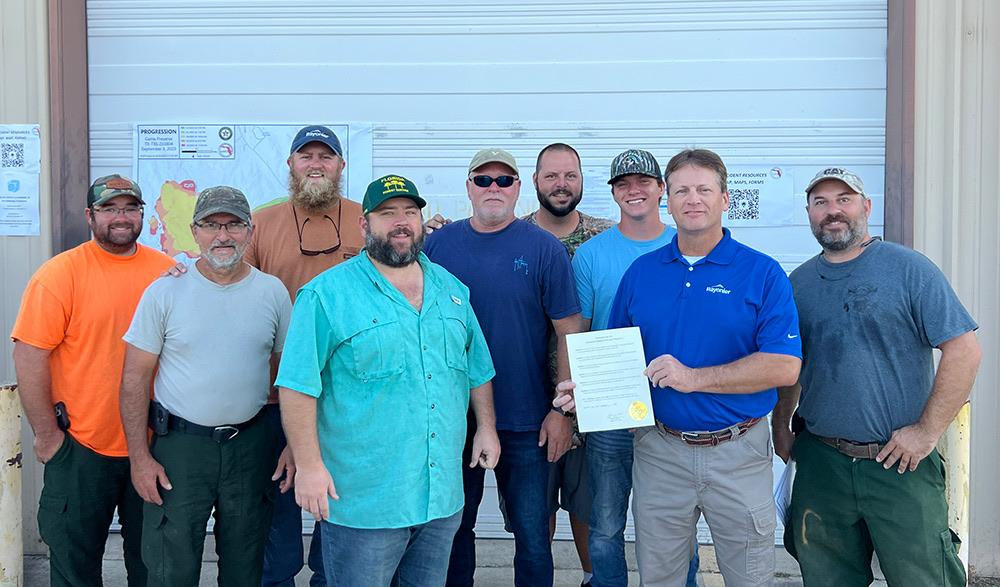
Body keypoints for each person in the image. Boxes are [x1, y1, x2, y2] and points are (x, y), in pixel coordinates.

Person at [556, 148, 801, 586]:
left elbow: (784, 367)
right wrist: (588, 392)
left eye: (704, 189)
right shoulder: (642, 273)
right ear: (667, 198)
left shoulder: (762, 273)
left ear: (725, 198)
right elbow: (621, 359)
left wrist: (693, 379)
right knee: (662, 577)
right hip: (660, 450)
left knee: (750, 577)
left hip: (738, 451)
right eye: (683, 190)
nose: (693, 199)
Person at [275, 175, 500, 586]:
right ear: (364, 225)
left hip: (440, 498)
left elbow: (477, 368)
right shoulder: (326, 295)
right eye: (387, 213)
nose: (401, 222)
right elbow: (296, 385)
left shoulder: (452, 291)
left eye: (410, 213)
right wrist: (309, 466)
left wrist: (486, 427)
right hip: (365, 501)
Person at [772, 168, 980, 586]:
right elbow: (789, 365)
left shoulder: (909, 270)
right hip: (821, 462)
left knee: (925, 577)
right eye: (821, 203)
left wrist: (925, 432)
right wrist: (781, 425)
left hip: (900, 464)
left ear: (866, 207)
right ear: (809, 214)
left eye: (844, 200)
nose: (833, 211)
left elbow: (964, 351)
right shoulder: (797, 284)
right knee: (826, 577)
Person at [425, 148, 583, 587]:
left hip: (527, 417)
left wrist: (562, 410)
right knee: (453, 530)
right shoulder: (437, 246)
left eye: (503, 180)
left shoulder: (544, 248)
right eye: (483, 180)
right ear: (468, 188)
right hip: (452, 417)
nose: (493, 188)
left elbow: (568, 330)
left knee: (532, 535)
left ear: (520, 187)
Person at [120, 186, 291, 586]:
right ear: (194, 231)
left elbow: (291, 378)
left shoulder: (272, 293)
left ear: (250, 231)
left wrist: (294, 446)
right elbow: (133, 380)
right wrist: (139, 458)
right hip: (181, 449)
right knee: (170, 566)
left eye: (233, 224)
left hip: (250, 447)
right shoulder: (165, 291)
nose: (223, 235)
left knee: (245, 565)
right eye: (211, 225)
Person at [11, 174, 175, 586]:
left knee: (154, 567)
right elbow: (29, 356)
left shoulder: (168, 273)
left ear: (142, 214)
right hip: (82, 448)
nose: (120, 217)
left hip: (155, 447)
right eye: (109, 208)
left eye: (129, 208)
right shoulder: (60, 275)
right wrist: (47, 435)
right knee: (74, 569)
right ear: (90, 215)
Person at [248, 124, 365, 587]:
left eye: (326, 156)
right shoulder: (261, 223)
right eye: (306, 156)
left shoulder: (364, 218)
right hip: (278, 396)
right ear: (291, 165)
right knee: (277, 517)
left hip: (350, 399)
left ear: (341, 166)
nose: (316, 164)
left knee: (338, 513)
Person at [572, 149, 695, 587]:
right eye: (623, 183)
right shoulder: (590, 255)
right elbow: (579, 334)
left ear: (661, 188)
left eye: (644, 181)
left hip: (674, 410)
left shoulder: (687, 245)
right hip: (612, 409)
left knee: (675, 526)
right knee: (605, 524)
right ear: (613, 193)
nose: (634, 190)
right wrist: (579, 396)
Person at [522, 142, 611, 587]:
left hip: (590, 398)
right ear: (535, 181)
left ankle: (591, 577)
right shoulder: (512, 234)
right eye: (551, 176)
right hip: (525, 394)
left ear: (581, 181)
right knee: (535, 510)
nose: (561, 184)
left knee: (587, 506)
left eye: (569, 176)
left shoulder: (606, 236)